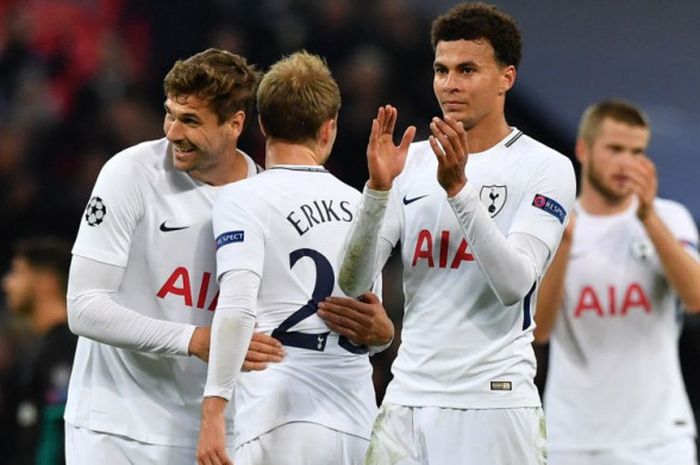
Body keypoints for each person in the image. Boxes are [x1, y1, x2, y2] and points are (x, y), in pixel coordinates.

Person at [337, 3, 577, 464]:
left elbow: (514, 285)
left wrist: (459, 192)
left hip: (494, 403)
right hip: (407, 397)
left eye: (467, 69)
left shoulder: (546, 167)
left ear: (506, 77)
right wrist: (378, 191)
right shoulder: (413, 161)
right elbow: (353, 280)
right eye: (441, 69)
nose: (450, 83)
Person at [63, 48, 286, 465]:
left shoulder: (265, 199)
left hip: (214, 434)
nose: (172, 133)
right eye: (170, 114)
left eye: (190, 121)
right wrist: (194, 340)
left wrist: (373, 333)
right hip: (114, 426)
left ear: (235, 124)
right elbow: (84, 308)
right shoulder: (129, 173)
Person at [196, 51, 394, 465]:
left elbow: (237, 302)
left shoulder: (241, 199)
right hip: (360, 425)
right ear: (329, 128)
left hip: (279, 420)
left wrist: (213, 409)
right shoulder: (361, 203)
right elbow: (367, 323)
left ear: (262, 123)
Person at [534, 100, 700, 465]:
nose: (627, 162)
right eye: (615, 149)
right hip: (572, 440)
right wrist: (564, 244)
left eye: (636, 151)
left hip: (661, 440)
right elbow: (539, 331)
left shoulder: (670, 217)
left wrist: (649, 219)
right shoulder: (552, 225)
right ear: (583, 149)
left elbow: (696, 297)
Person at [2, 237, 76, 465]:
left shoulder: (70, 349)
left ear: (45, 281)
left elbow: (58, 432)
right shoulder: (37, 352)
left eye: (17, 272)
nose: (7, 284)